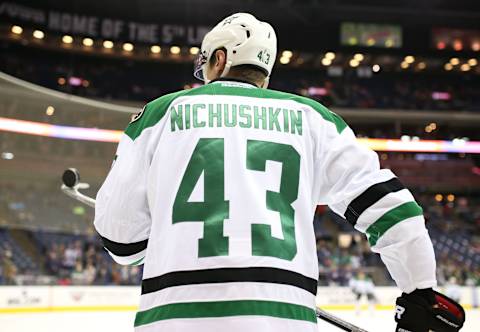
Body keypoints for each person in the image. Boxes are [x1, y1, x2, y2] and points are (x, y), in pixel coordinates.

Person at [94, 13, 465, 332]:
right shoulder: (315, 120)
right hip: (284, 317)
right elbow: (393, 209)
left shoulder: (159, 115)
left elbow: (121, 241)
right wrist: (419, 292)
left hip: (173, 318)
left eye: (207, 60)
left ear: (220, 59)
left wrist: (158, 234)